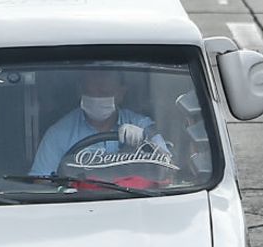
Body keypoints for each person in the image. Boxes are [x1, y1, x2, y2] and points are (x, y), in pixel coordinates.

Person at [30, 69, 168, 177]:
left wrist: (147, 143)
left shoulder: (141, 125)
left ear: (121, 93)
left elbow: (168, 167)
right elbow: (41, 182)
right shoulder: (58, 134)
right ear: (80, 91)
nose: (97, 98)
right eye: (91, 93)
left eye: (104, 93)